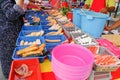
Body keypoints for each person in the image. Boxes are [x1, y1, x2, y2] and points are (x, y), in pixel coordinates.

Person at [0, 0, 25, 78]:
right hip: (8, 35)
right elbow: (11, 14)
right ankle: (10, 76)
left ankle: (15, 74)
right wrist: (20, 2)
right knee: (9, 60)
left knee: (15, 57)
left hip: (11, 33)